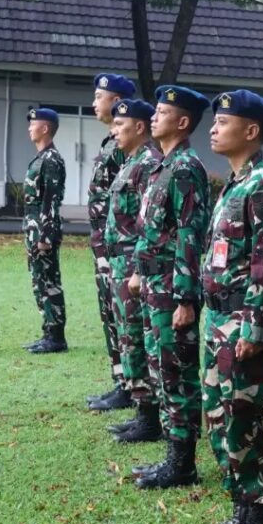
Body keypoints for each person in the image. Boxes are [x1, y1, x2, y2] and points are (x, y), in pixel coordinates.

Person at [188, 89, 263, 524]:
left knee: (247, 420)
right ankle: (241, 512)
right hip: (219, 318)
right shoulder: (236, 183)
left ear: (251, 131)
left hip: (242, 322)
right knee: (220, 418)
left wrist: (257, 329)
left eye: (223, 122)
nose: (213, 128)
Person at [129, 86, 211, 490]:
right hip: (153, 284)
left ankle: (182, 463)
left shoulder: (185, 168)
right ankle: (172, 454)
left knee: (176, 371)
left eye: (162, 113)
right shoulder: (163, 166)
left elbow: (189, 235)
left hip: (171, 290)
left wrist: (185, 298)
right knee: (161, 369)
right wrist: (139, 272)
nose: (154, 117)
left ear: (182, 122)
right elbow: (152, 230)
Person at [103, 98, 163, 443]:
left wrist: (138, 269)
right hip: (120, 264)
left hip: (133, 266)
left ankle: (150, 418)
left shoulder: (148, 164)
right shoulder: (130, 163)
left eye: (120, 125)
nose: (114, 131)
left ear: (140, 127)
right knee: (127, 337)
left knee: (138, 339)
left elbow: (149, 224)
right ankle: (142, 410)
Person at [87, 73, 137, 411]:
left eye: (99, 97)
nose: (94, 103)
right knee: (110, 313)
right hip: (105, 244)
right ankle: (120, 380)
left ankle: (129, 384)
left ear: (116, 100)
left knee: (121, 316)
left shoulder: (124, 148)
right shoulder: (110, 142)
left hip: (119, 247)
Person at [21, 107, 68, 354]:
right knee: (39, 281)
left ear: (45, 128)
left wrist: (45, 236)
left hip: (43, 231)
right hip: (34, 228)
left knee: (49, 282)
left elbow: (51, 200)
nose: (30, 128)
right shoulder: (41, 157)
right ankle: (48, 332)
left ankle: (57, 337)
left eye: (34, 124)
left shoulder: (51, 160)